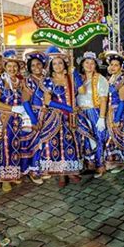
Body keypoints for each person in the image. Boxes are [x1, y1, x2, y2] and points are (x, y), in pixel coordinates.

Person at [0, 49, 29, 192]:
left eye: (15, 66)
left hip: (17, 120)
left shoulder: (20, 81)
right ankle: (5, 179)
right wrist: (13, 108)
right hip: (3, 119)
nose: (12, 68)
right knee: (5, 148)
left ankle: (13, 174)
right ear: (4, 66)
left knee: (15, 146)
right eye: (9, 66)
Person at [40, 46, 82, 187]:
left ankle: (70, 171)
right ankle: (61, 175)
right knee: (56, 144)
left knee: (70, 143)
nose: (58, 66)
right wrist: (67, 108)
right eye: (55, 63)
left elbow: (81, 90)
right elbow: (47, 101)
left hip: (72, 117)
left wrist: (74, 72)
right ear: (51, 66)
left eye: (60, 63)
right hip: (56, 117)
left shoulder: (70, 77)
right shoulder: (48, 80)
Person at [76, 52, 109, 178]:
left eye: (92, 63)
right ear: (82, 64)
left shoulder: (101, 79)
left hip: (93, 111)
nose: (89, 65)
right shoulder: (80, 78)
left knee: (98, 137)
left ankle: (100, 165)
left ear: (96, 65)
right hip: (81, 112)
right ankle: (89, 164)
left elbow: (103, 99)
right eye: (87, 63)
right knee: (84, 139)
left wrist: (101, 118)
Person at [20, 49, 49, 185]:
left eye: (38, 64)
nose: (36, 67)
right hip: (34, 114)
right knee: (33, 143)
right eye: (33, 66)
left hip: (47, 114)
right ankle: (33, 170)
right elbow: (25, 102)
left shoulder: (47, 79)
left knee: (44, 142)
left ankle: (42, 167)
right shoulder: (28, 81)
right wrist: (34, 119)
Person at [104, 50, 124, 174]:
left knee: (117, 137)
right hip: (109, 111)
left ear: (121, 67)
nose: (112, 67)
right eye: (111, 64)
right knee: (111, 137)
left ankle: (121, 162)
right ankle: (113, 161)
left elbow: (123, 101)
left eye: (116, 65)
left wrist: (117, 118)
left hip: (117, 111)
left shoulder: (121, 82)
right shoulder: (111, 79)